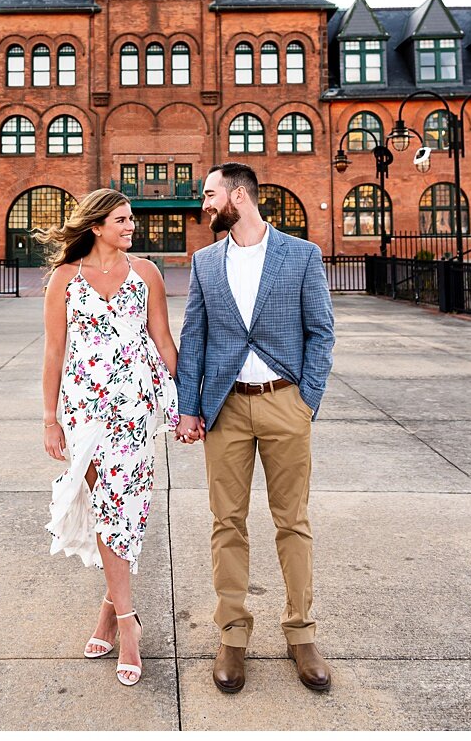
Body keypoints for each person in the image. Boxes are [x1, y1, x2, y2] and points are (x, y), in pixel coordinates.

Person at [174, 162, 336, 695]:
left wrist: (306, 400)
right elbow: (193, 336)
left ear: (239, 196)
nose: (204, 204)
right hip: (226, 410)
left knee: (293, 521)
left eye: (209, 194)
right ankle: (233, 636)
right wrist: (189, 406)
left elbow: (321, 331)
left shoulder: (301, 254)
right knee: (227, 523)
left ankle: (301, 632)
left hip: (284, 404)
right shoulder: (205, 262)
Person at [41, 189, 178, 687]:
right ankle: (125, 621)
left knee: (126, 508)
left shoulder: (147, 274)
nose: (131, 226)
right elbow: (54, 352)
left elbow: (163, 341)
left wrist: (186, 407)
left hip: (136, 411)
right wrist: (49, 418)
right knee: (106, 509)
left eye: (132, 219)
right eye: (121, 220)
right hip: (84, 413)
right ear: (96, 226)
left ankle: (115, 615)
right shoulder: (65, 279)